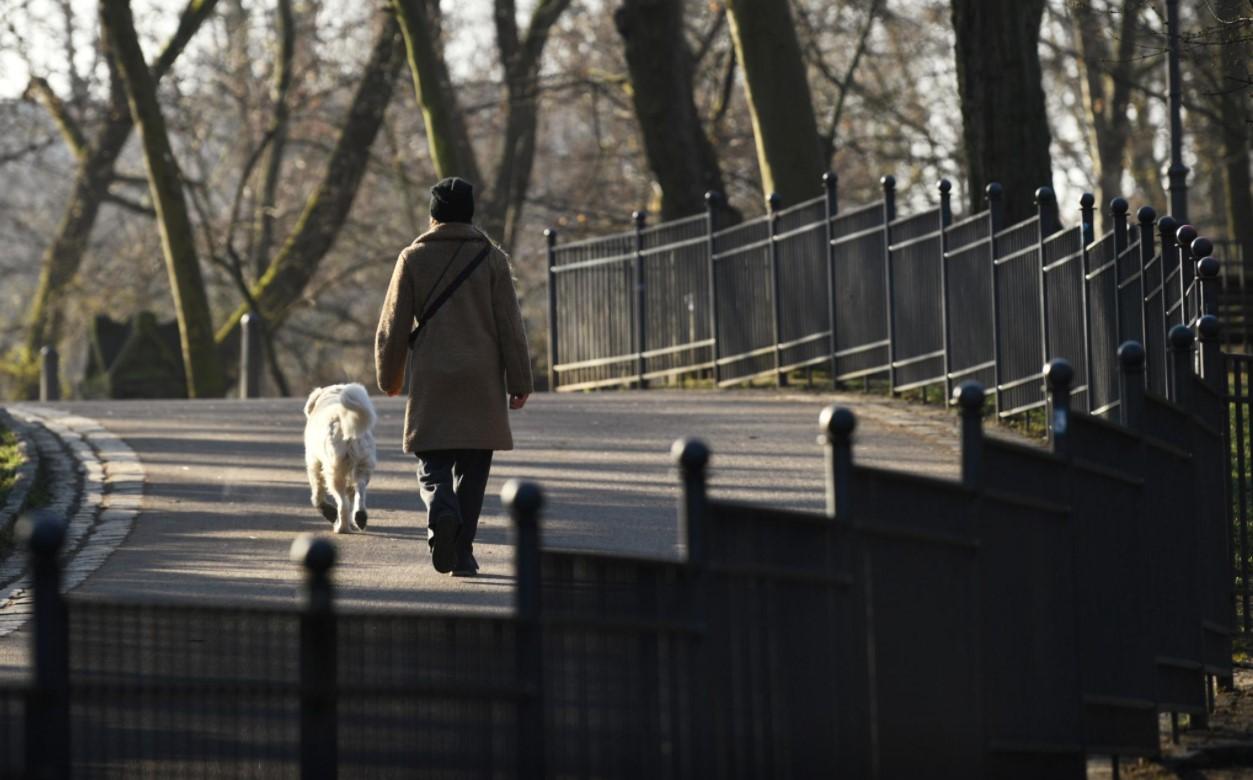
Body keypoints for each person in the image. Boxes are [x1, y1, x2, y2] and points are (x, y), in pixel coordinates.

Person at [375, 177, 532, 576]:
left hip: (433, 377)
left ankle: (441, 508)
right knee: (475, 469)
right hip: (482, 378)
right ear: (470, 213)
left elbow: (392, 326)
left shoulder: (412, 258)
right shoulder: (491, 258)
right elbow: (510, 325)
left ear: (433, 216)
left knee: (433, 461)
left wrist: (389, 377)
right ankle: (462, 552)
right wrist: (520, 380)